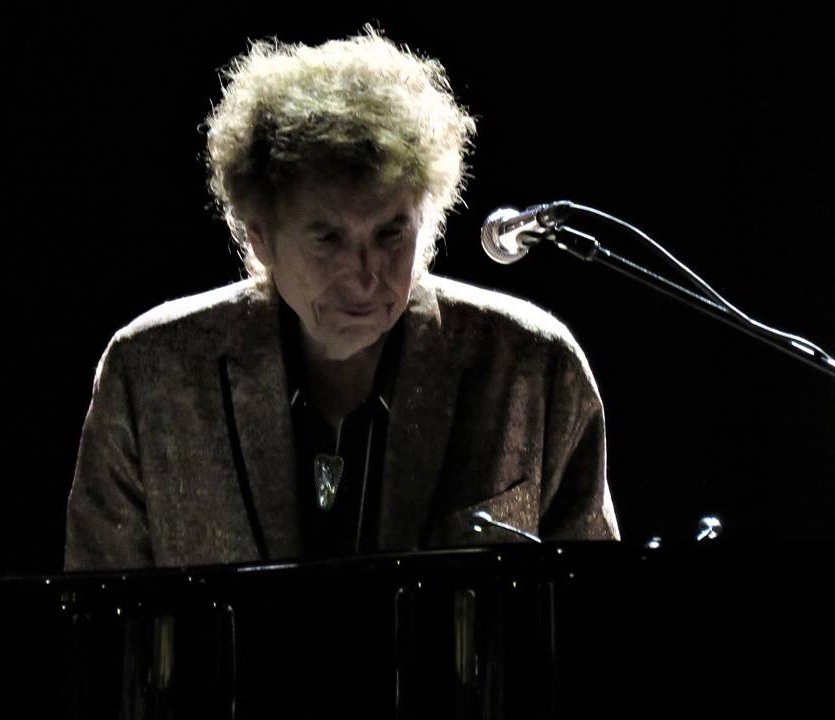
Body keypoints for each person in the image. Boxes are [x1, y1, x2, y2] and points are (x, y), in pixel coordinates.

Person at [64, 29, 619, 571]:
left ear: (427, 224)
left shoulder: (533, 367)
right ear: (259, 236)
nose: (365, 276)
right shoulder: (149, 372)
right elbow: (96, 617)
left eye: (391, 233)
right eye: (329, 238)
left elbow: (596, 609)